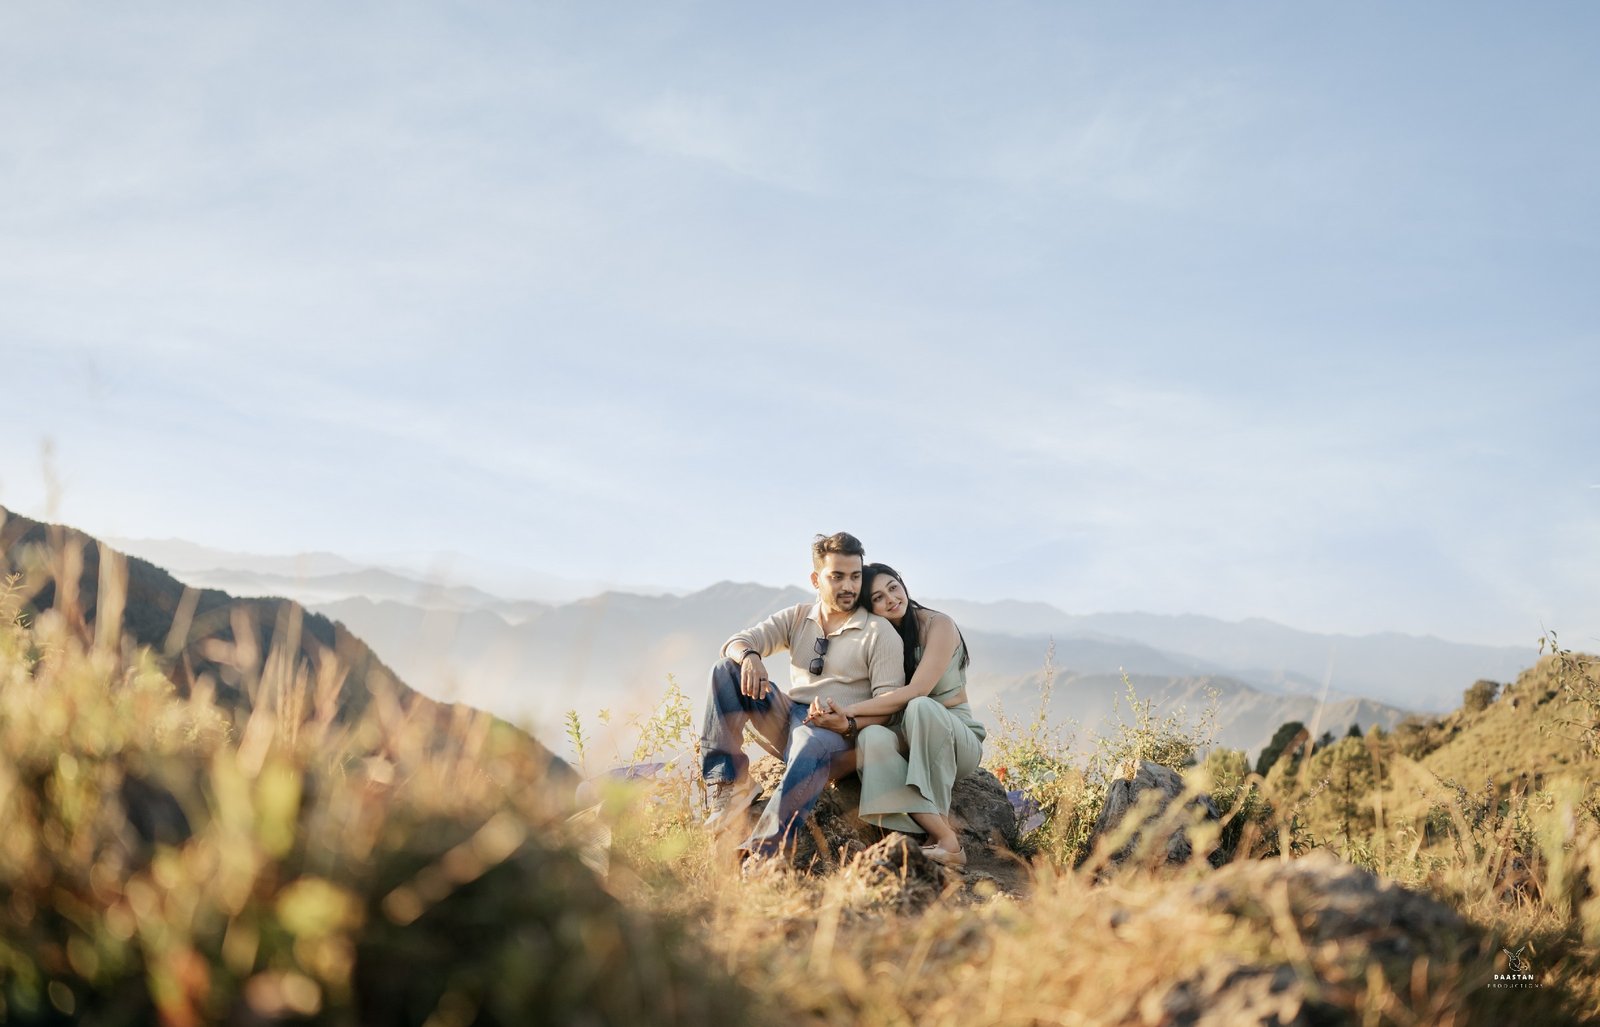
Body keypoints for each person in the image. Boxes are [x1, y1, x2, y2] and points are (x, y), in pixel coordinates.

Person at [700, 532, 906, 863]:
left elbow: (890, 706)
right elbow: (736, 642)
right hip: (790, 718)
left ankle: (764, 852)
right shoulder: (798, 616)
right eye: (837, 576)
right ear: (815, 579)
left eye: (855, 576)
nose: (849, 586)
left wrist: (847, 722)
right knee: (726, 670)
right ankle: (729, 786)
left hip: (838, 735)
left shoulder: (879, 633)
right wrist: (750, 656)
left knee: (809, 739)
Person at [810, 563, 984, 866]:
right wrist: (843, 722)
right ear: (869, 608)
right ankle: (931, 836)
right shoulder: (881, 638)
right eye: (878, 597)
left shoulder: (938, 624)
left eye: (893, 587)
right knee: (872, 738)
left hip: (957, 739)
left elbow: (918, 691)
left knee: (920, 705)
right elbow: (879, 705)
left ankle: (946, 842)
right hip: (910, 735)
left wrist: (850, 711)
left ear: (903, 584)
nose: (891, 599)